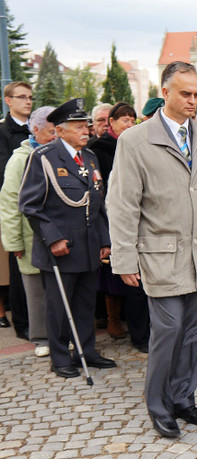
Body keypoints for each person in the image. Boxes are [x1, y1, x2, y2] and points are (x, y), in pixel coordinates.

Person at [106, 61, 197, 438]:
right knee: (170, 328)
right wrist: (124, 258)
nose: (193, 101)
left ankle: (184, 398)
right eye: (185, 93)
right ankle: (158, 405)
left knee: (194, 330)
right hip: (159, 255)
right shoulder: (135, 140)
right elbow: (123, 205)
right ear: (165, 92)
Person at [18, 98, 116, 379]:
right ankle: (60, 356)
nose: (85, 130)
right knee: (59, 307)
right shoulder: (43, 158)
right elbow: (29, 205)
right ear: (59, 131)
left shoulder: (90, 157)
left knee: (85, 303)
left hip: (88, 247)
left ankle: (86, 350)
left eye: (85, 125)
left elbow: (98, 203)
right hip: (61, 249)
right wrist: (53, 239)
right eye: (77, 126)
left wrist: (104, 240)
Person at [88, 102, 152, 352]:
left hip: (141, 219)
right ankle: (131, 329)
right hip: (113, 218)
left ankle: (142, 328)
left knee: (141, 280)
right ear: (111, 122)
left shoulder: (137, 146)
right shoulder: (97, 148)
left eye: (131, 120)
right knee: (125, 279)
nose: (128, 124)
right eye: (123, 120)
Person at [0, 106, 55, 357]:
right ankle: (41, 337)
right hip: (30, 237)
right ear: (35, 130)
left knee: (57, 288)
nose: (55, 136)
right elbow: (9, 202)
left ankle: (60, 334)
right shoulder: (20, 159)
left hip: (56, 235)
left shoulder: (55, 154)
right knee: (35, 291)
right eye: (51, 131)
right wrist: (14, 242)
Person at [0, 81, 33, 334]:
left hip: (39, 208)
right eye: (22, 97)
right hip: (17, 209)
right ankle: (23, 324)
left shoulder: (37, 128)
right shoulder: (3, 133)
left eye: (30, 97)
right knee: (19, 268)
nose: (28, 101)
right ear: (8, 101)